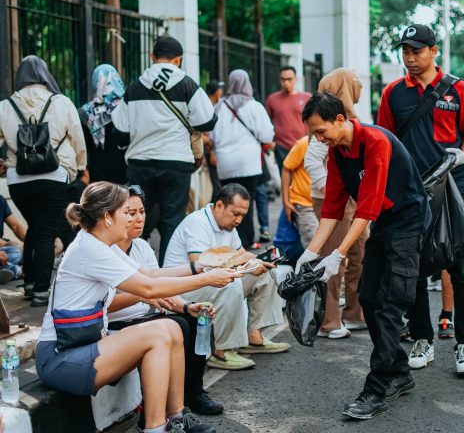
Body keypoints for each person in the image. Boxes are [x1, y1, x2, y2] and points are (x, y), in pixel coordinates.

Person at [36, 181, 236, 433]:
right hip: (61, 358)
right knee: (160, 331)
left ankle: (175, 416)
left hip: (84, 347)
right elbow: (148, 289)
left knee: (171, 329)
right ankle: (155, 428)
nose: (132, 219)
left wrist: (203, 270)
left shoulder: (101, 245)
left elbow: (150, 276)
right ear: (107, 217)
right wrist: (207, 278)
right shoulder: (90, 249)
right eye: (126, 213)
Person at [298, 93, 431, 420]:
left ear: (340, 120)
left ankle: (376, 388)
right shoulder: (338, 151)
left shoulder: (374, 141)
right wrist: (311, 253)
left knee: (389, 304)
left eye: (321, 131)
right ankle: (399, 369)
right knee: (368, 298)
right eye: (314, 133)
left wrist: (338, 255)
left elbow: (367, 208)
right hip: (386, 223)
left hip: (409, 223)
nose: (318, 139)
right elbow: (331, 207)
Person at [377, 24, 464, 376]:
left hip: (454, 186)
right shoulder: (393, 93)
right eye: (405, 51)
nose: (409, 57)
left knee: (461, 266)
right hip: (413, 191)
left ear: (433, 51)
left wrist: (463, 155)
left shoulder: (457, 89)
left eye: (416, 50)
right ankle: (422, 337)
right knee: (415, 266)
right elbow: (385, 143)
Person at [108, 185, 224, 415]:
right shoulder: (106, 251)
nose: (139, 218)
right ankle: (162, 411)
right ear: (112, 216)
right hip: (119, 325)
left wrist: (188, 306)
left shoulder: (141, 246)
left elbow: (158, 286)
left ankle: (193, 393)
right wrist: (202, 274)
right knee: (178, 326)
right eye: (131, 213)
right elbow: (144, 290)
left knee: (195, 319)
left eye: (142, 211)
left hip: (147, 317)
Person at [112, 36, 218, 265]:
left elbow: (120, 131)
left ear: (152, 57)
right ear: (179, 60)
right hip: (176, 163)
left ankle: (130, 270)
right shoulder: (188, 85)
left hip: (140, 163)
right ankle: (167, 275)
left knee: (134, 218)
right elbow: (208, 121)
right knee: (172, 220)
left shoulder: (135, 87)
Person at [163, 184, 289, 371]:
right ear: (220, 205)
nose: (239, 220)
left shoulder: (227, 225)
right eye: (235, 213)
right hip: (182, 289)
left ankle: (253, 336)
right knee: (230, 284)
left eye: (243, 215)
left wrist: (255, 263)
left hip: (206, 282)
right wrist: (243, 261)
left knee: (265, 273)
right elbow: (200, 264)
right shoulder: (198, 222)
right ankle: (221, 351)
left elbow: (242, 254)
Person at [0, 55, 87, 306]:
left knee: (34, 228)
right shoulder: (60, 102)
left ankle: (28, 283)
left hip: (18, 180)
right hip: (54, 175)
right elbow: (77, 138)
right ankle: (41, 290)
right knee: (47, 232)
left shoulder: (6, 106)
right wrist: (81, 166)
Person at [303, 68, 367, 338]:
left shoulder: (351, 120)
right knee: (334, 259)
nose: (358, 89)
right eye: (354, 86)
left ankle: (354, 313)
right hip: (333, 202)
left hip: (354, 200)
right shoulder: (326, 121)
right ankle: (329, 320)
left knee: (360, 254)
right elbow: (311, 162)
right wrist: (334, 191)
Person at [210, 70, 274, 249]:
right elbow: (267, 135)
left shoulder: (219, 107)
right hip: (249, 163)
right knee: (247, 201)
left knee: (228, 201)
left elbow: (211, 135)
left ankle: (225, 242)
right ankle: (245, 241)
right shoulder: (254, 106)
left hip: (225, 163)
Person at [79, 64, 129, 184]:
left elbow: (84, 147)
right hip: (125, 174)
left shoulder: (85, 112)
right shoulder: (127, 107)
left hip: (98, 176)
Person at [265, 66, 312, 170]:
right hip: (282, 147)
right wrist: (271, 144)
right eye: (283, 79)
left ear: (295, 79)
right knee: (286, 180)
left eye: (289, 79)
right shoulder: (272, 99)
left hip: (304, 145)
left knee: (305, 181)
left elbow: (314, 120)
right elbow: (266, 123)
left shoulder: (307, 97)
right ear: (279, 80)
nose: (286, 83)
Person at [281, 136, 318, 247]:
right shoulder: (303, 143)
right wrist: (286, 201)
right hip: (304, 203)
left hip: (329, 205)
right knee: (314, 242)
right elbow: (287, 168)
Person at [203, 80, 225, 200]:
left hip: (211, 149)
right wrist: (212, 152)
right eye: (220, 89)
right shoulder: (209, 107)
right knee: (216, 184)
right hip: (210, 149)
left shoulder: (211, 105)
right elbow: (207, 132)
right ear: (216, 92)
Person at [0, 195, 26, 284]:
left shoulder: (0, 200)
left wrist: (33, 243)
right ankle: (18, 271)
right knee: (17, 251)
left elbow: (16, 226)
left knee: (16, 252)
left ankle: (11, 270)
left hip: (3, 249)